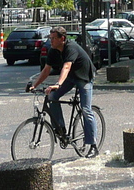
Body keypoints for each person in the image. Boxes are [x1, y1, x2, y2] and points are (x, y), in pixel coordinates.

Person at [28, 26, 98, 155]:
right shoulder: (53, 50)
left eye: (54, 38)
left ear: (62, 39)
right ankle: (61, 129)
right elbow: (46, 69)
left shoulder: (71, 48)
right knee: (52, 97)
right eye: (50, 38)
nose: (51, 41)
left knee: (86, 110)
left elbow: (66, 67)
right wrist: (35, 85)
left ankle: (93, 145)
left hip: (84, 77)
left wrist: (58, 84)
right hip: (71, 77)